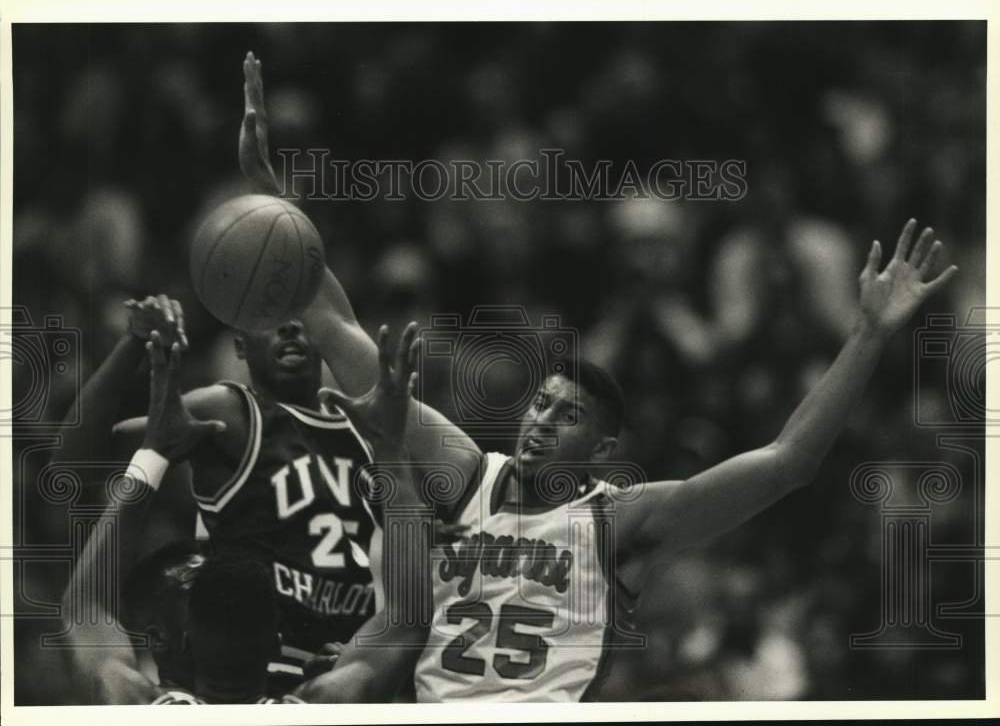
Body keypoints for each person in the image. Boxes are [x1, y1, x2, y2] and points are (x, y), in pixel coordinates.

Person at [240, 51, 960, 702]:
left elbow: (787, 463)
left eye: (567, 416)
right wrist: (277, 207)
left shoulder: (620, 521)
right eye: (540, 405)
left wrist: (868, 333)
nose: (541, 421)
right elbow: (337, 326)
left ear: (604, 450)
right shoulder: (468, 473)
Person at [61, 323, 435, 704]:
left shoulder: (149, 707)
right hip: (332, 671)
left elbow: (83, 609)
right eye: (269, 312)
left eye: (302, 311)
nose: (290, 323)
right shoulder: (227, 411)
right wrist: (392, 450)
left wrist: (152, 454)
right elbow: (408, 621)